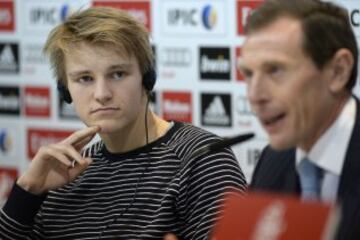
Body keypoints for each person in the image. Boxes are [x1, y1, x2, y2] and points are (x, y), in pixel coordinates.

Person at [0, 7, 246, 239]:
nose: (101, 93)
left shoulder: (201, 159)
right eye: (84, 78)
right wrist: (27, 193)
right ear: (66, 91)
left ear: (147, 79)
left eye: (117, 74)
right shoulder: (65, 174)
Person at [237, 0, 359, 239]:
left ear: (338, 71)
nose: (254, 95)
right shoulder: (272, 162)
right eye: (249, 74)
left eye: (275, 70)